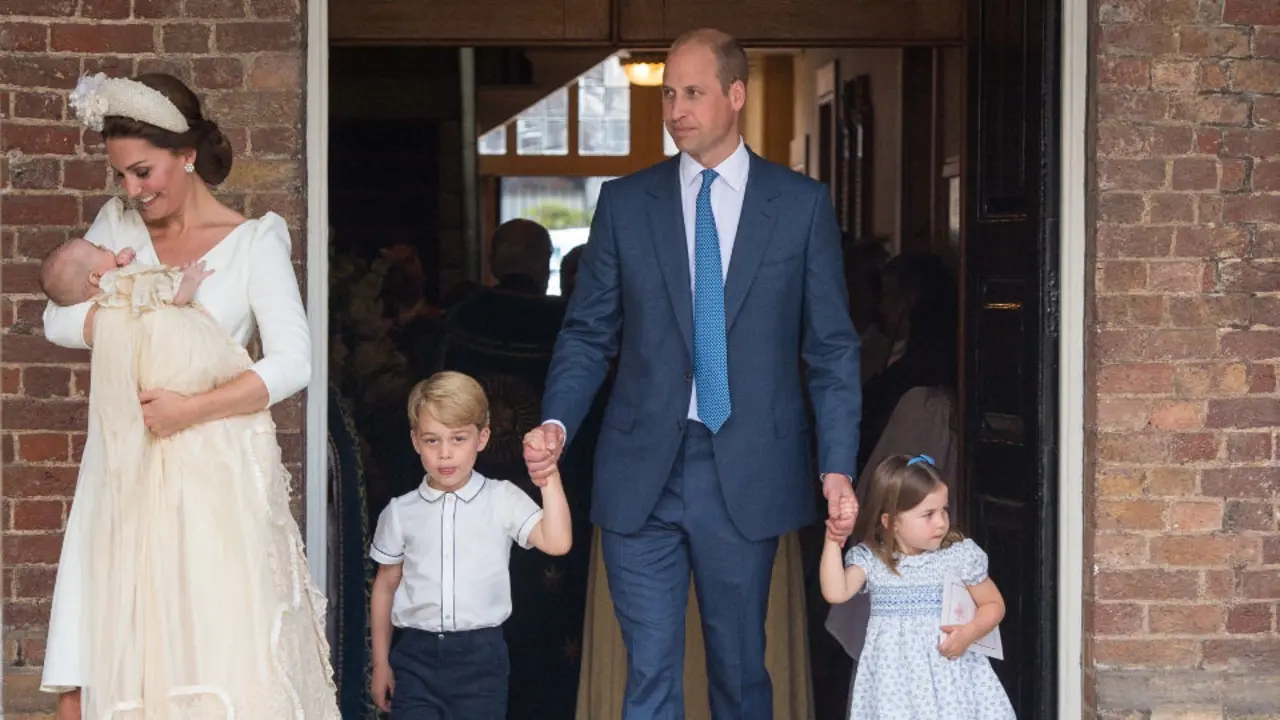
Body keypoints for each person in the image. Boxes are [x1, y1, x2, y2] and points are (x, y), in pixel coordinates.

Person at [525, 28, 861, 719]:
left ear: (735, 96)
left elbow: (830, 350)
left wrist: (836, 464)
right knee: (649, 673)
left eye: (693, 93)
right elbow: (589, 331)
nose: (676, 108)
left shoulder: (799, 206)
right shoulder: (625, 203)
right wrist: (557, 420)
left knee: (739, 672)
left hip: (747, 466)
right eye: (668, 93)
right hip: (639, 466)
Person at [40, 71, 328, 719]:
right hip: (121, 462)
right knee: (107, 631)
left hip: (208, 471)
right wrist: (137, 318)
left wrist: (189, 409)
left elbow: (293, 362)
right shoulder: (116, 227)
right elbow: (57, 317)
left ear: (186, 154)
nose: (132, 191)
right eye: (121, 177)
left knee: (208, 636)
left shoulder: (255, 243)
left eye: (143, 172)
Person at [368, 372, 573, 719]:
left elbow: (557, 541)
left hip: (481, 660)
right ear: (415, 441)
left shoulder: (502, 498)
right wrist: (380, 663)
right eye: (432, 441)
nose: (445, 454)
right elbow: (385, 586)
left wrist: (547, 474)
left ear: (483, 437)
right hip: (416, 657)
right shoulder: (400, 512)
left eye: (458, 439)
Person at [819, 455, 1014, 719]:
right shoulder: (874, 560)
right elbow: (836, 591)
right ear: (891, 522)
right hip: (893, 688)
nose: (942, 522)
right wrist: (834, 539)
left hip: (950, 682)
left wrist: (969, 633)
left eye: (944, 510)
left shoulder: (957, 557)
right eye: (928, 514)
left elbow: (993, 604)